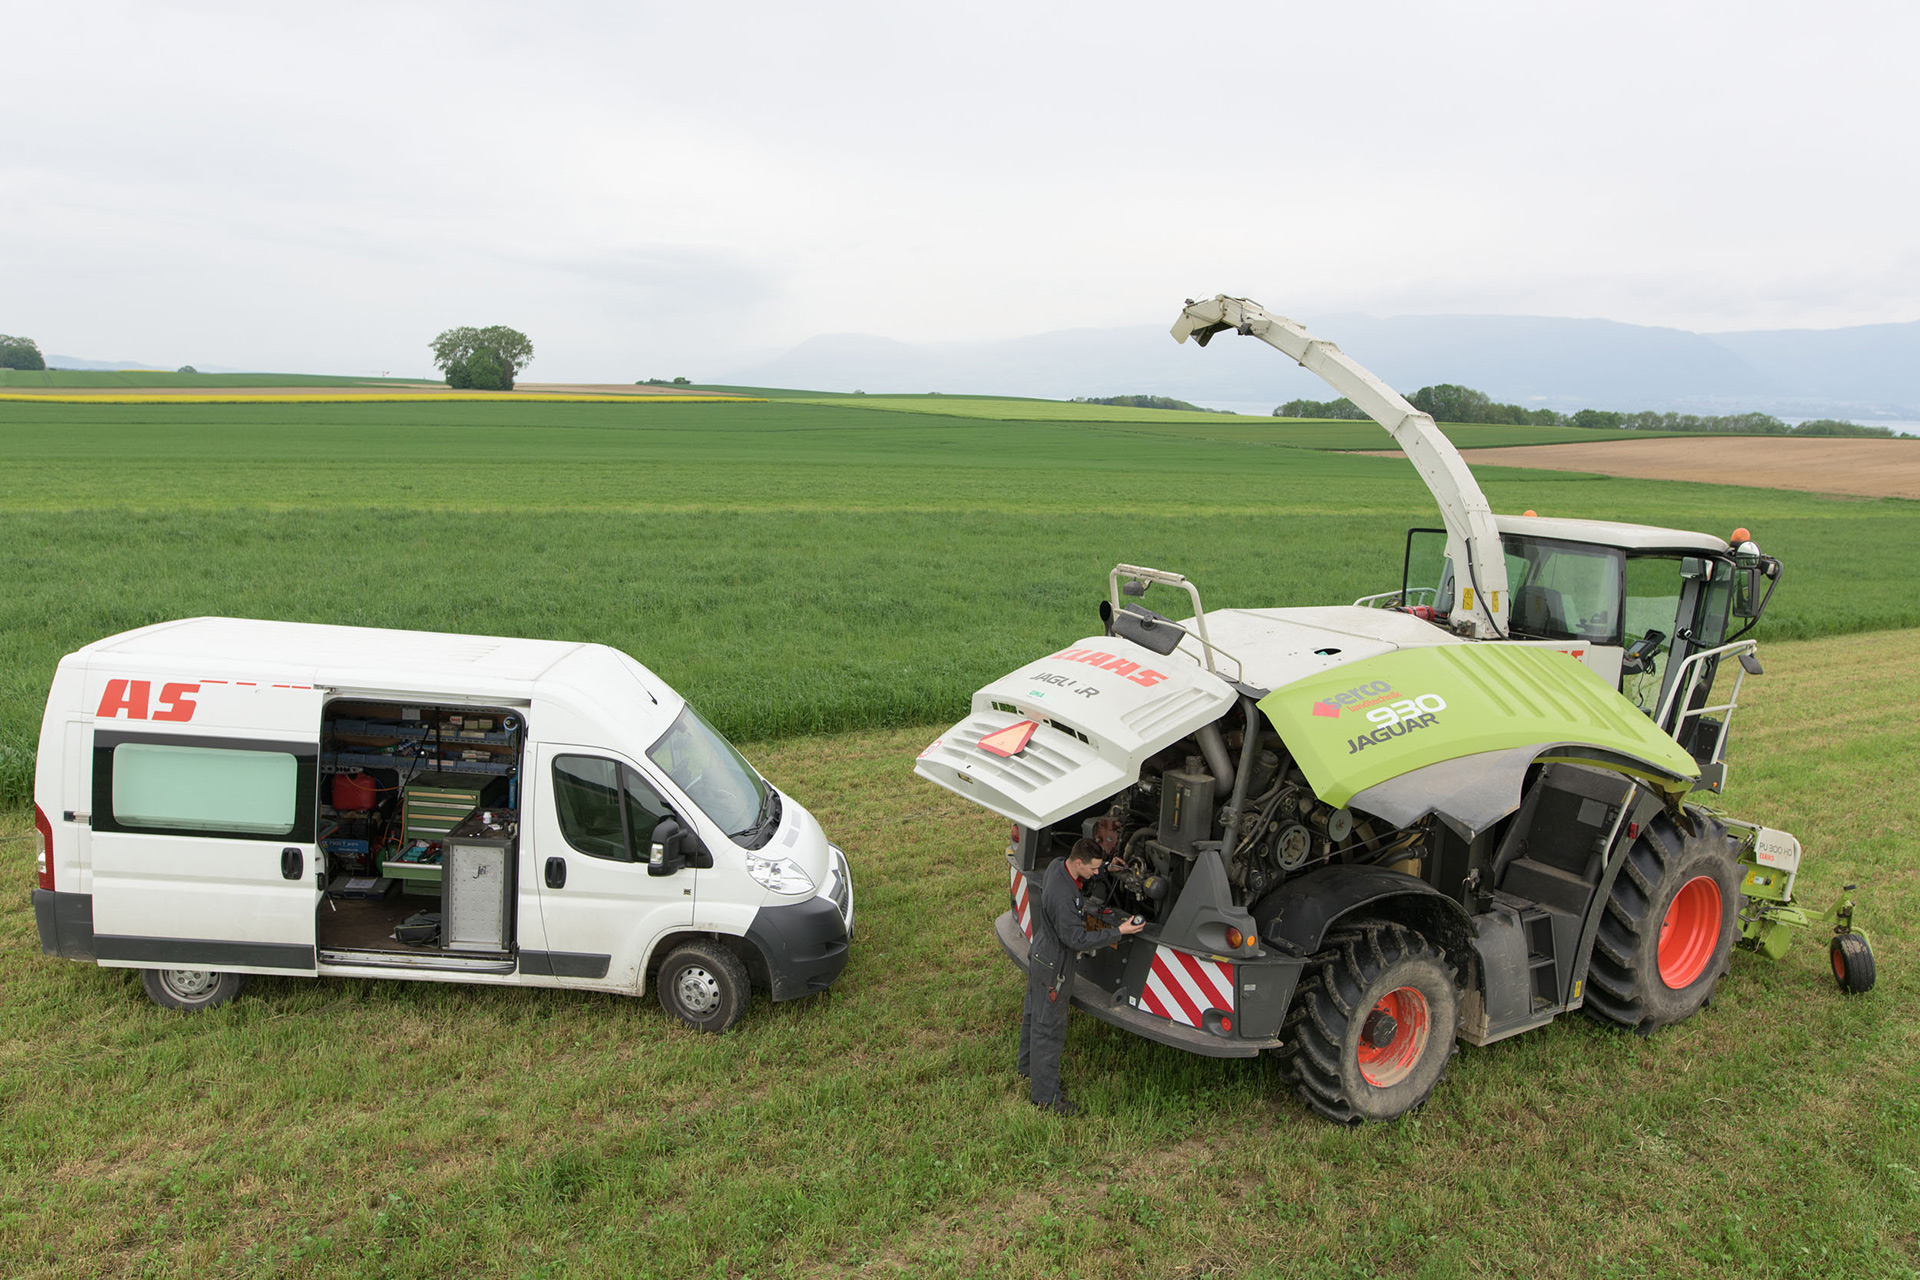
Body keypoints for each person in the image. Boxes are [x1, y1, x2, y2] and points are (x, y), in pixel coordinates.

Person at [1018, 837, 1145, 1115]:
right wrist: (1118, 932)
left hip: (1040, 952)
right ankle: (1045, 1097)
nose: (1096, 874)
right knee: (1049, 1029)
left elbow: (1085, 874)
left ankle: (1027, 1068)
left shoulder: (1057, 866)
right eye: (1093, 868)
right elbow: (1075, 939)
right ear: (1078, 862)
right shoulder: (1065, 900)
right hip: (1055, 965)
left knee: (1033, 1014)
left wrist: (1108, 866)